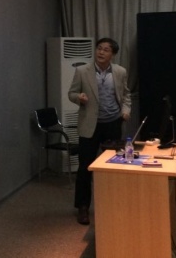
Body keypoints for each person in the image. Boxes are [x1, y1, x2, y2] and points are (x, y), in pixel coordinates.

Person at [68, 37, 131, 225]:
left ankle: (113, 205)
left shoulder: (120, 71)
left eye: (106, 50)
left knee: (113, 167)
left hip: (112, 124)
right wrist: (78, 97)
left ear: (113, 54)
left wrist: (126, 110)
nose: (101, 52)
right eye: (99, 48)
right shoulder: (82, 71)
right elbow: (71, 93)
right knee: (85, 168)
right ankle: (83, 207)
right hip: (90, 125)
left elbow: (126, 95)